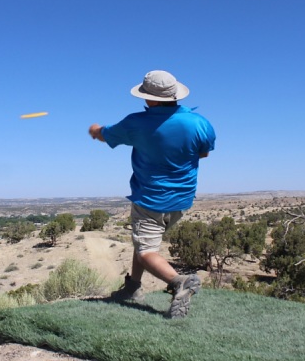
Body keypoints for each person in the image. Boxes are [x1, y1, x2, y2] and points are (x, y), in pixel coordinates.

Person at [88, 70, 216, 318]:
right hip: (182, 199)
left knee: (147, 252)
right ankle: (132, 288)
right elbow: (204, 153)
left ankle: (179, 282)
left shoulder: (135, 123)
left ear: (148, 98)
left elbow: (104, 134)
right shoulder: (200, 122)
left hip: (150, 198)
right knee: (143, 243)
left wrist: (94, 129)